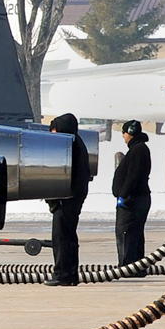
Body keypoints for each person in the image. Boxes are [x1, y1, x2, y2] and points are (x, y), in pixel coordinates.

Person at [44, 113, 95, 286]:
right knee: (69, 236)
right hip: (73, 198)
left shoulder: (69, 146)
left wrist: (54, 200)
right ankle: (70, 274)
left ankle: (63, 274)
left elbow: (62, 175)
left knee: (61, 237)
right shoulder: (77, 143)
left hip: (67, 199)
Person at [110, 119, 153, 266]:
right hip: (134, 199)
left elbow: (134, 176)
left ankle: (128, 265)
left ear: (130, 133)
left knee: (127, 233)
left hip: (133, 200)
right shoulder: (137, 149)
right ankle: (135, 265)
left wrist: (124, 194)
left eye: (124, 132)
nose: (123, 135)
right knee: (133, 233)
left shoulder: (138, 150)